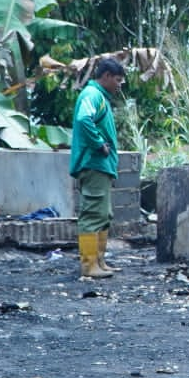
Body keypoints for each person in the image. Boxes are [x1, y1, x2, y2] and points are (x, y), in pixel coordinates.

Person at [70, 57, 126, 279]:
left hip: (100, 165)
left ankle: (99, 261)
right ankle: (89, 265)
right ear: (106, 77)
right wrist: (99, 144)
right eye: (118, 80)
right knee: (93, 213)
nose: (120, 84)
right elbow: (84, 120)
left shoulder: (99, 97)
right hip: (93, 163)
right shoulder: (92, 95)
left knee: (103, 214)